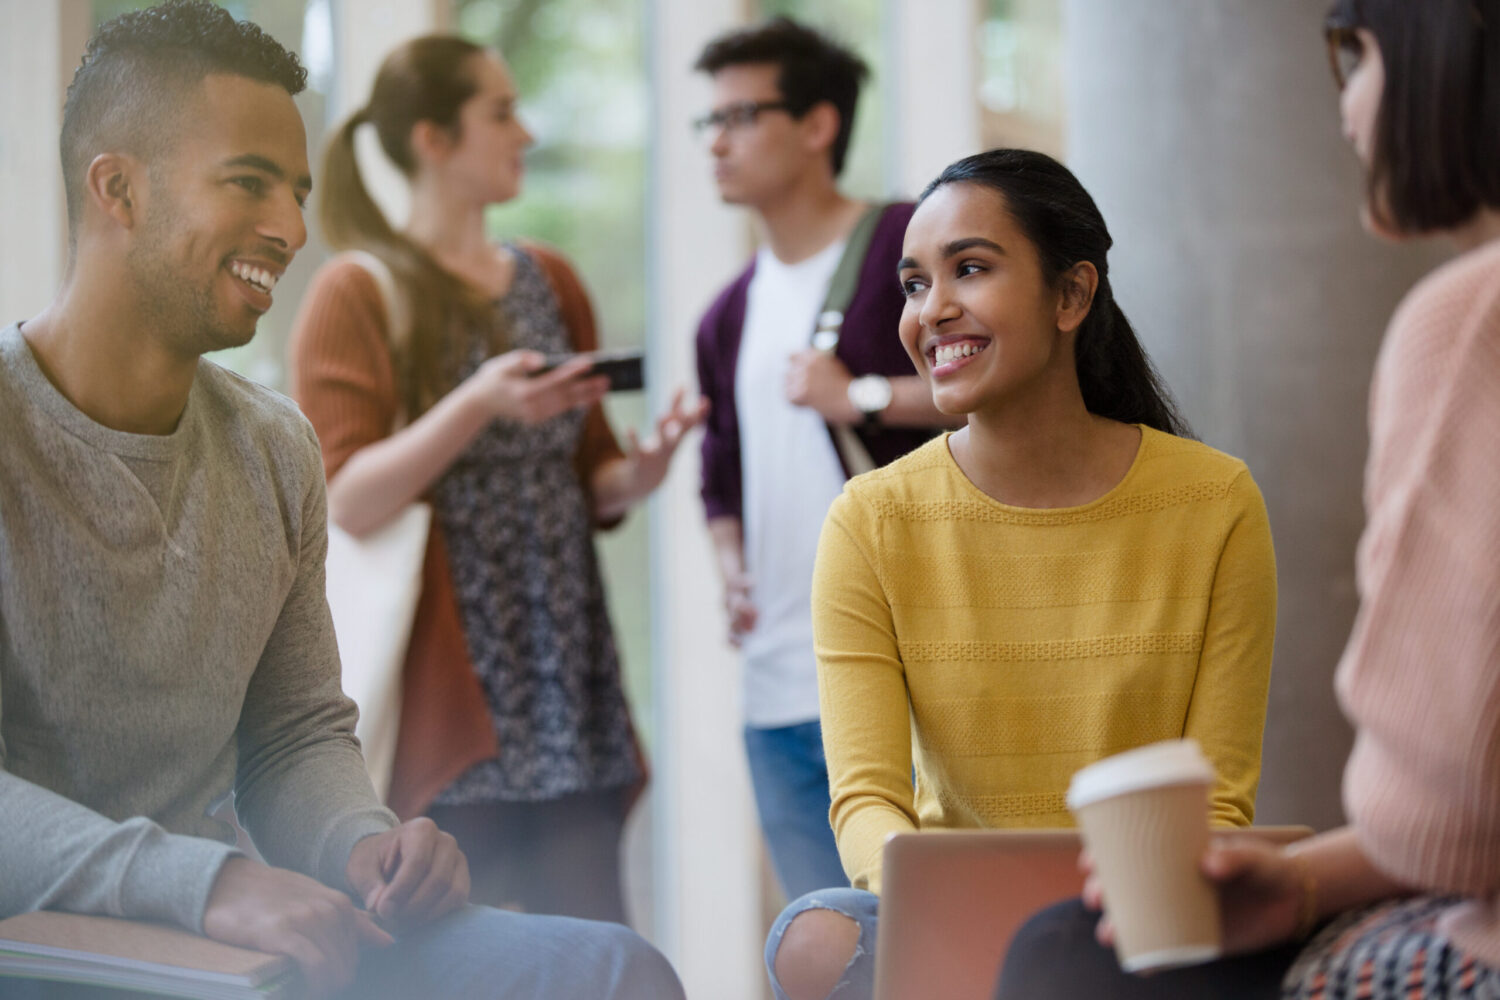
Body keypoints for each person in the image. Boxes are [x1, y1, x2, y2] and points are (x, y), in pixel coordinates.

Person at [0, 3, 683, 998]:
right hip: (45, 943)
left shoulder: (274, 447)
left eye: (297, 190)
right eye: (248, 182)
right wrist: (214, 884)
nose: (288, 227)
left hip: (232, 937)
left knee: (614, 967)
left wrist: (368, 848)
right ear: (119, 189)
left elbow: (293, 736)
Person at [995, 1, 1500, 998]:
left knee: (1065, 957)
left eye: (1355, 61)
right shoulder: (873, 516)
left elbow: (1446, 798)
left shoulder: (1465, 328)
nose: (1348, 112)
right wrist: (1306, 879)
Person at [764, 147, 1279, 1000]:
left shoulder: (1216, 501)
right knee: (813, 935)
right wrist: (949, 899)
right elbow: (866, 803)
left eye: (969, 269)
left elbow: (1219, 804)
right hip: (946, 908)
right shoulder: (871, 519)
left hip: (1136, 912)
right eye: (914, 283)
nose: (933, 310)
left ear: (1072, 294)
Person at [288, 34, 702, 927]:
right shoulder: (357, 293)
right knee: (452, 959)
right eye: (501, 113)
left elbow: (593, 482)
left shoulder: (549, 278)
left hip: (566, 686)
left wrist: (645, 471)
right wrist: (477, 402)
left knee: (599, 954)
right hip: (455, 688)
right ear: (433, 139)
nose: (526, 130)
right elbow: (349, 498)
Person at [692, 17, 959, 903]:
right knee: (827, 947)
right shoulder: (725, 314)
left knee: (929, 938)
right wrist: (731, 569)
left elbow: (991, 398)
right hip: (775, 685)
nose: (717, 142)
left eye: (740, 115)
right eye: (708, 122)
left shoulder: (903, 250)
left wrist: (864, 396)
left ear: (818, 126)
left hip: (909, 665)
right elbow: (719, 476)